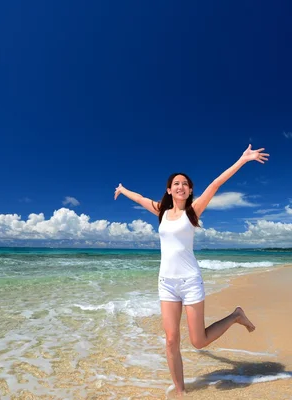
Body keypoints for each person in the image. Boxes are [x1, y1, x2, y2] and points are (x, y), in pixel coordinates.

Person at [114, 144, 269, 396]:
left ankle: (235, 316)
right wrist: (123, 190)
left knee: (198, 341)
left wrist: (242, 160)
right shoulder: (161, 212)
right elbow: (141, 198)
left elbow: (216, 184)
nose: (180, 186)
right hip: (166, 283)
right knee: (172, 340)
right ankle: (180, 391)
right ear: (169, 189)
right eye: (176, 183)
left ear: (189, 190)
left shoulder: (192, 211)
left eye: (185, 183)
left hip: (189, 281)